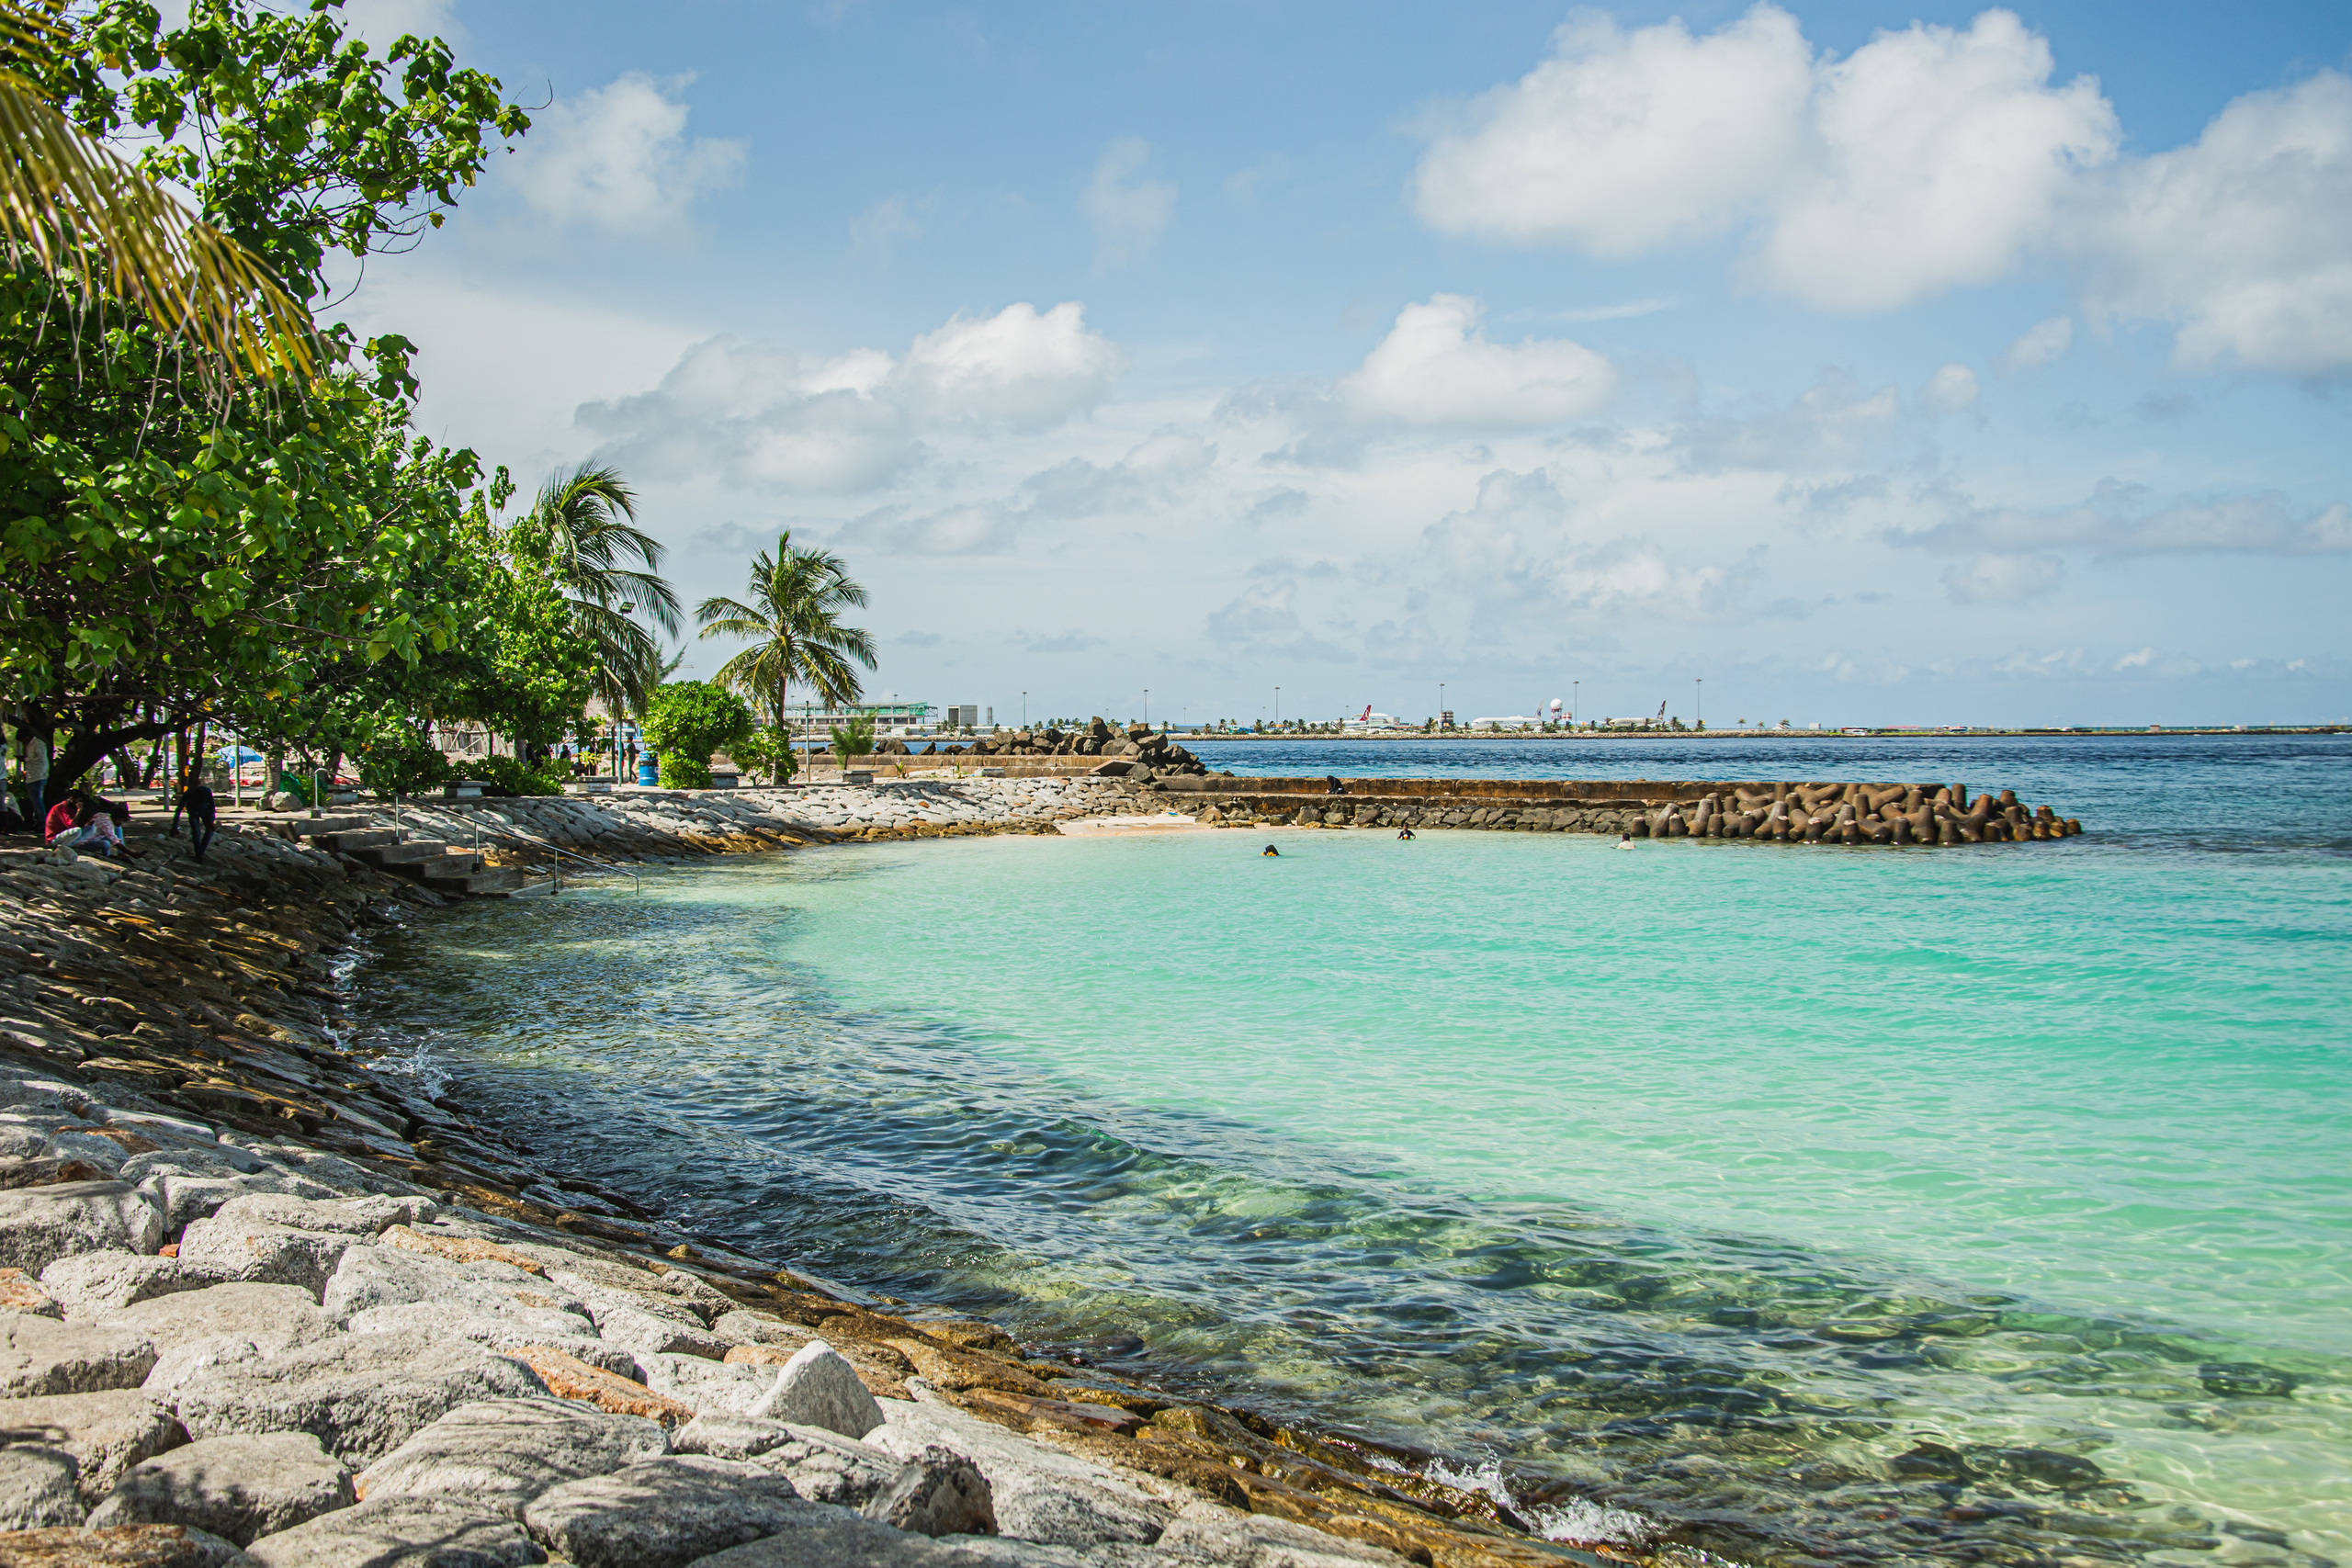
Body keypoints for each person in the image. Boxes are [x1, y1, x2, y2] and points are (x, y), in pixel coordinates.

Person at [182, 773, 218, 860]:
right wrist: (175, 826)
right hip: (194, 811)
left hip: (205, 811)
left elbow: (212, 807)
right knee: (196, 831)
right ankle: (199, 853)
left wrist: (210, 821)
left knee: (207, 831)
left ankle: (200, 853)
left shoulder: (206, 792)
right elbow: (179, 808)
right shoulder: (189, 794)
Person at [17, 730, 47, 821]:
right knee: (35, 802)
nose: (23, 742)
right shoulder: (29, 745)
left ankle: (43, 823)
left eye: (22, 740)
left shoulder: (38, 744)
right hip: (31, 775)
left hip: (38, 775)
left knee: (37, 802)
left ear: (27, 737)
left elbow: (41, 759)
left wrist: (26, 759)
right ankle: (37, 821)